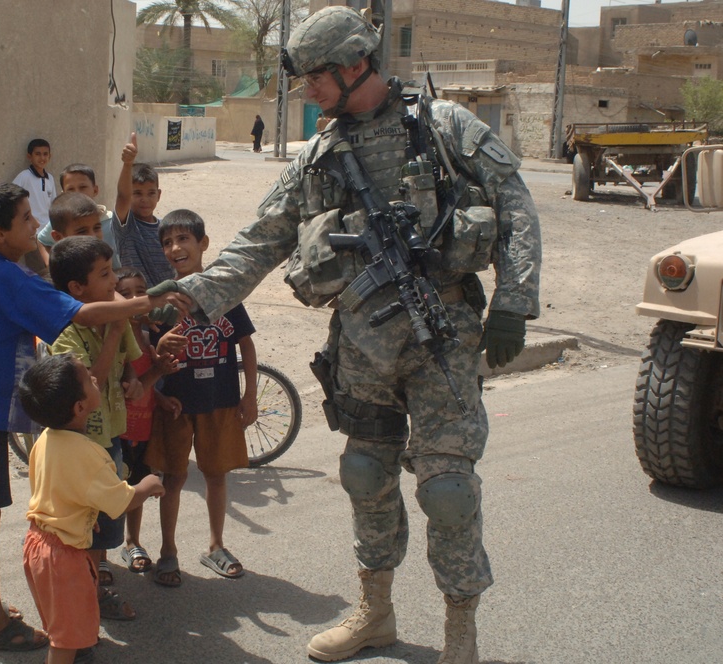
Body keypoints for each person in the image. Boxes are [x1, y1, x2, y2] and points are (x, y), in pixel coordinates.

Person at [148, 7, 541, 663]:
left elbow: (516, 205)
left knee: (447, 490)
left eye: (315, 78)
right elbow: (263, 238)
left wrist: (516, 299)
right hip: (361, 344)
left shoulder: (445, 129)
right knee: (365, 475)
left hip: (441, 342)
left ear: (354, 65)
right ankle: (375, 612)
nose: (307, 92)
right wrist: (197, 294)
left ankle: (460, 633)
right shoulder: (324, 154)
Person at [0, 183, 180, 654]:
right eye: (27, 218)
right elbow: (82, 314)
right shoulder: (9, 277)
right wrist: (144, 302)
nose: (36, 226)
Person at [18, 352, 165, 664]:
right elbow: (121, 501)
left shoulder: (45, 438)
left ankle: (77, 647)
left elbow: (56, 490)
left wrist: (82, 517)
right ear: (80, 407)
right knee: (63, 641)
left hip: (37, 542)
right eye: (87, 378)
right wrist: (148, 485)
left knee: (61, 622)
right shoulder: (90, 454)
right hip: (63, 556)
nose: (95, 378)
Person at [145, 209, 259, 588]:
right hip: (177, 403)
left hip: (220, 401)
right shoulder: (164, 298)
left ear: (203, 244)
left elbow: (246, 345)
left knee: (216, 475)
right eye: (167, 242)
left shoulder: (224, 293)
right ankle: (168, 552)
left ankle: (215, 545)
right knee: (173, 479)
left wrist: (250, 396)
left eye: (184, 239)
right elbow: (148, 351)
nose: (175, 248)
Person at [48, 236, 146, 620]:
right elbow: (90, 386)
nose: (113, 283)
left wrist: (134, 381)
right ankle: (84, 596)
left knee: (105, 521)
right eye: (105, 276)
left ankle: (95, 578)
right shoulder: (66, 331)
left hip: (112, 436)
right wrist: (112, 330)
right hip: (82, 443)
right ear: (77, 288)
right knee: (81, 523)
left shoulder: (114, 318)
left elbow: (127, 369)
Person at [114, 267, 181, 575]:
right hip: (118, 432)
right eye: (125, 293)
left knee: (137, 489)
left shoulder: (145, 339)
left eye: (141, 292)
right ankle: (101, 554)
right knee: (113, 491)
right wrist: (159, 372)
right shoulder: (114, 341)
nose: (135, 299)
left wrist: (163, 399)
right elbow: (132, 389)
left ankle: (132, 541)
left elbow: (149, 388)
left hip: (143, 429)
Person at [112, 133, 174, 287]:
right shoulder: (127, 226)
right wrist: (128, 164)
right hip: (139, 301)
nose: (145, 199)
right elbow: (123, 197)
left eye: (151, 193)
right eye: (137, 193)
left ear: (159, 195)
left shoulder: (166, 229)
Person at [35, 163, 120, 271]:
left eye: (83, 187)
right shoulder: (62, 221)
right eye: (71, 189)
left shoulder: (111, 220)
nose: (77, 193)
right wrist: (51, 266)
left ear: (95, 190)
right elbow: (42, 240)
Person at [13, 138, 57, 278]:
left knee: (54, 269)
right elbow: (11, 196)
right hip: (33, 233)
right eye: (38, 154)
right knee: (39, 272)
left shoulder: (50, 178)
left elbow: (54, 205)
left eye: (45, 154)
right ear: (29, 156)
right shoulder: (24, 177)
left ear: (50, 156)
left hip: (49, 233)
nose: (42, 157)